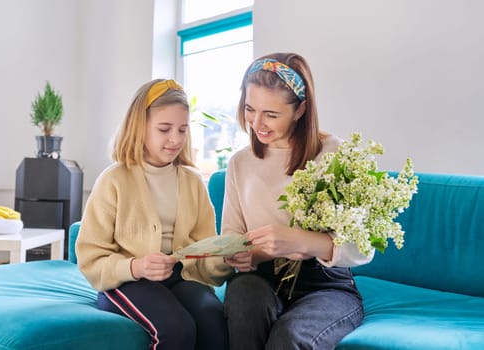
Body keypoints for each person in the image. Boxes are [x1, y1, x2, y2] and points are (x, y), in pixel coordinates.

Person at [221, 53, 375, 350]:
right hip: (259, 279)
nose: (257, 123)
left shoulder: (335, 154)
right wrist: (238, 253)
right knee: (244, 307)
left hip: (325, 284)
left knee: (289, 336)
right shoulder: (240, 163)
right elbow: (232, 234)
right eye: (250, 109)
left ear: (300, 109)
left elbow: (363, 246)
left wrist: (301, 241)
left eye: (271, 114)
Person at [76, 79, 230, 350]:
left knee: (213, 321)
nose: (175, 139)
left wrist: (226, 258)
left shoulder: (193, 181)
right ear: (139, 127)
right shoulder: (113, 180)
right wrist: (136, 266)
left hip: (181, 278)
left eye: (182, 130)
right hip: (125, 281)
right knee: (176, 328)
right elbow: (91, 259)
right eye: (164, 129)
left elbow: (206, 258)